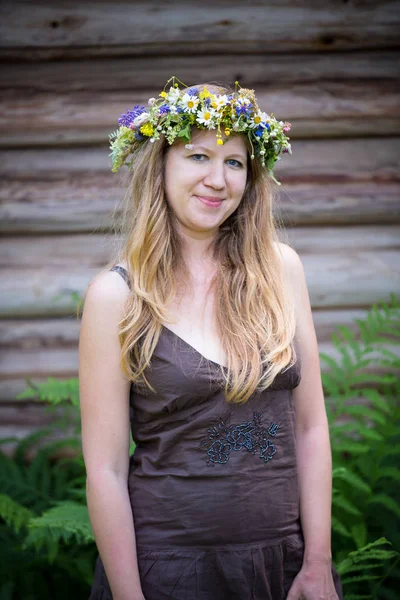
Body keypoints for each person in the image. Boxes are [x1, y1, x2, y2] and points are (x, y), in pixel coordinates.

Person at [79, 77, 343, 600]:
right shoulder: (115, 297)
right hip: (168, 572)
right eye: (198, 156)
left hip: (284, 567)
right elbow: (105, 471)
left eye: (235, 162)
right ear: (162, 165)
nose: (217, 179)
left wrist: (317, 562)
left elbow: (311, 428)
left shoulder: (280, 270)